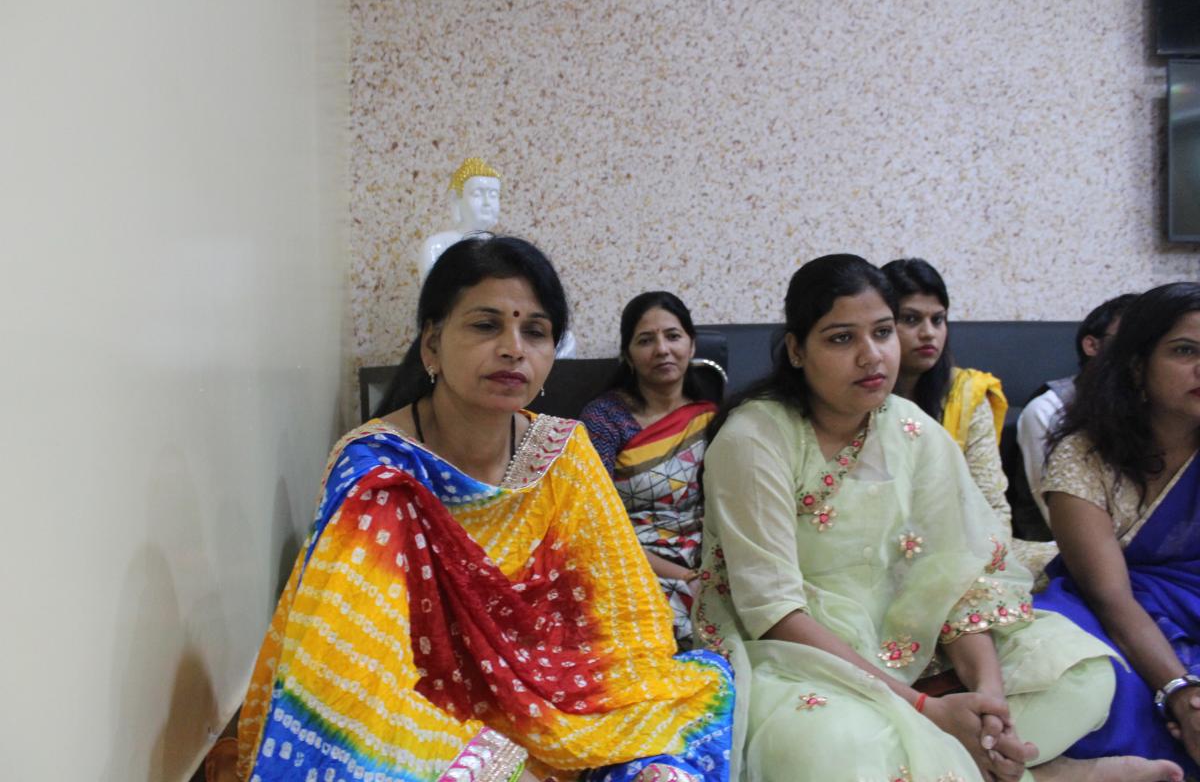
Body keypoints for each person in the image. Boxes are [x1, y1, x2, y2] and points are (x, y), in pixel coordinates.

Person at [236, 236, 734, 782]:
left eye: (535, 331)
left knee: (673, 755)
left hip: (565, 703)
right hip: (427, 717)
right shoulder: (380, 473)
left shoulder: (564, 454)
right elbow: (352, 663)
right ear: (431, 345)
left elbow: (623, 619)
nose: (513, 348)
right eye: (485, 325)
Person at [694, 254, 1179, 782]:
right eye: (841, 338)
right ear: (796, 350)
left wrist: (989, 701)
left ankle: (981, 758)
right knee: (834, 750)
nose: (871, 355)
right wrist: (929, 712)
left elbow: (956, 579)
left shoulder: (913, 430)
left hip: (914, 642)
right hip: (796, 653)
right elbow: (772, 611)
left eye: (882, 332)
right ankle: (1046, 774)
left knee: (1081, 672)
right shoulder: (755, 438)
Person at [1033, 282, 1200, 778]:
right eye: (1185, 351)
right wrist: (1181, 692)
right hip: (1106, 613)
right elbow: (1112, 599)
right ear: (1136, 366)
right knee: (1084, 680)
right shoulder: (1083, 456)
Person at [881, 258, 1057, 579]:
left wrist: (986, 562)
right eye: (911, 319)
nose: (928, 333)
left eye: (938, 320)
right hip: (879, 550)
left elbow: (991, 503)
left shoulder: (966, 392)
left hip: (967, 545)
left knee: (1078, 559)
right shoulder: (858, 394)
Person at [580, 292, 717, 649]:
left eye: (673, 336)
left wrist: (707, 573)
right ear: (627, 354)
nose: (662, 349)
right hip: (628, 561)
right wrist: (685, 577)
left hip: (707, 558)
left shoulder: (711, 418)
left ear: (691, 344)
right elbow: (595, 520)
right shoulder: (605, 419)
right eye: (645, 340)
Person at [1017, 294, 1137, 524]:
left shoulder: (1165, 406)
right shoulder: (1049, 409)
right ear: (1092, 345)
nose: (1140, 353)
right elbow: (1058, 519)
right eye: (1129, 340)